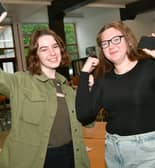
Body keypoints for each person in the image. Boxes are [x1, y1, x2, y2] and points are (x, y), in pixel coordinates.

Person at [76, 21, 155, 168]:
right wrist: (84, 74)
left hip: (148, 150)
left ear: (129, 41)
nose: (111, 46)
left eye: (116, 39)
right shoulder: (103, 80)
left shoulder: (151, 68)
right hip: (113, 149)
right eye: (105, 43)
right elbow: (84, 115)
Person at [0, 29, 90, 168]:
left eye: (55, 47)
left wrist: (88, 91)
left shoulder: (67, 88)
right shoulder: (20, 82)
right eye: (44, 49)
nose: (52, 53)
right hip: (34, 160)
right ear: (35, 55)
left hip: (71, 157)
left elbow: (87, 120)